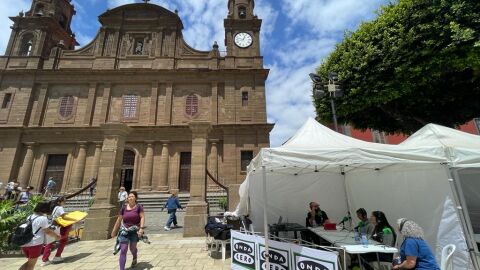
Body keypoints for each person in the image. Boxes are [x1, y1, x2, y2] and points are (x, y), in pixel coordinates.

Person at [19, 201, 60, 270]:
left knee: (29, 262)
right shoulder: (42, 218)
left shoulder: (29, 217)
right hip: (35, 244)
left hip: (25, 243)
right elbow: (47, 231)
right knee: (31, 265)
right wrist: (56, 236)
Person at [111, 191, 145, 270]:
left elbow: (142, 217)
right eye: (129, 196)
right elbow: (119, 220)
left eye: (132, 196)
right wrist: (114, 231)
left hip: (134, 231)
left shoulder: (139, 207)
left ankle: (135, 256)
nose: (130, 198)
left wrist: (141, 228)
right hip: (124, 231)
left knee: (132, 248)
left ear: (135, 198)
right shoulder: (123, 208)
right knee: (123, 249)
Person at [42, 197, 77, 265]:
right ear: (59, 202)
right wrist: (73, 219)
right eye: (64, 201)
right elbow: (64, 216)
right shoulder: (60, 208)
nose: (65, 202)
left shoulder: (55, 207)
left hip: (52, 226)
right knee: (63, 240)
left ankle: (45, 259)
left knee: (49, 243)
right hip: (57, 227)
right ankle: (57, 256)